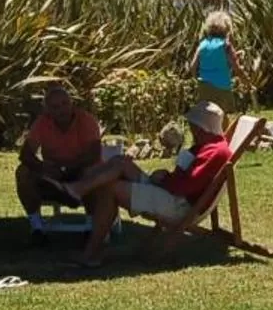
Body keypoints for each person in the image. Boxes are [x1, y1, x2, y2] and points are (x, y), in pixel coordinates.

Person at [66, 102, 234, 264]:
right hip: (170, 193)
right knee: (120, 162)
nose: (191, 129)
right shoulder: (207, 145)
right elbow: (186, 179)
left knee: (111, 189)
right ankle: (78, 188)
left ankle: (91, 254)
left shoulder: (214, 151)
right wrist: (165, 177)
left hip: (176, 204)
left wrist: (163, 180)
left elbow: (186, 186)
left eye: (193, 126)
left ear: (201, 127)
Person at [17, 83, 125, 241]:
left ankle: (91, 227)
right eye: (55, 107)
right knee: (23, 172)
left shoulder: (86, 120)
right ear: (48, 110)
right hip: (54, 177)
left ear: (71, 103)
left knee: (93, 172)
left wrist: (68, 168)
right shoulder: (42, 123)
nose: (62, 110)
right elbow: (25, 155)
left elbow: (94, 154)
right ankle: (37, 227)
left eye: (64, 104)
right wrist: (42, 167)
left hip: (81, 173)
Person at [193, 11, 243, 115]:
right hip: (222, 87)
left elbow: (192, 66)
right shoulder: (226, 46)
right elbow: (236, 68)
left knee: (208, 118)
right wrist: (246, 81)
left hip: (204, 86)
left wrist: (198, 78)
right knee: (224, 118)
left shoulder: (203, 44)